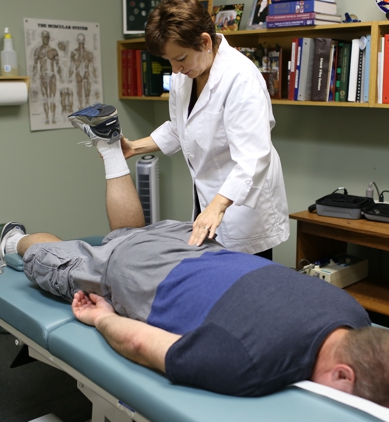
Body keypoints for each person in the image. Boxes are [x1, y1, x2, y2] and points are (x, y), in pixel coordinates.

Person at [0, 105, 389, 411]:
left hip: (196, 241)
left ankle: (108, 148)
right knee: (50, 255)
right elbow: (141, 343)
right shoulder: (249, 364)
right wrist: (101, 317)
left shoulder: (350, 311)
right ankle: (13, 242)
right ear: (344, 376)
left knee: (128, 236)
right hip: (141, 271)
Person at [120, 0, 289, 259]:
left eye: (180, 58)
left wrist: (217, 207)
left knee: (246, 289)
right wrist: (134, 147)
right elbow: (182, 128)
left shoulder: (241, 78)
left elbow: (253, 158)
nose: (175, 69)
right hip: (208, 199)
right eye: (170, 61)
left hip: (242, 206)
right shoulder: (186, 73)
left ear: (205, 42)